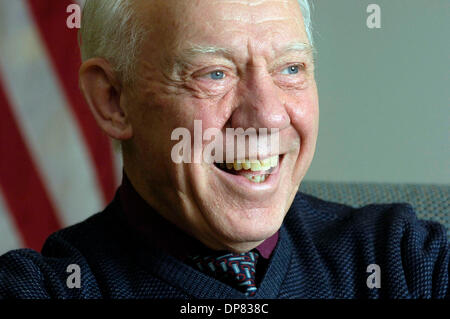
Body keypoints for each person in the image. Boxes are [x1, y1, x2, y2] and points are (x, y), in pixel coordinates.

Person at [0, 0, 448, 299]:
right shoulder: (45, 289)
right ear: (113, 100)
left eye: (290, 68)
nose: (269, 115)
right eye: (214, 73)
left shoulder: (406, 263)